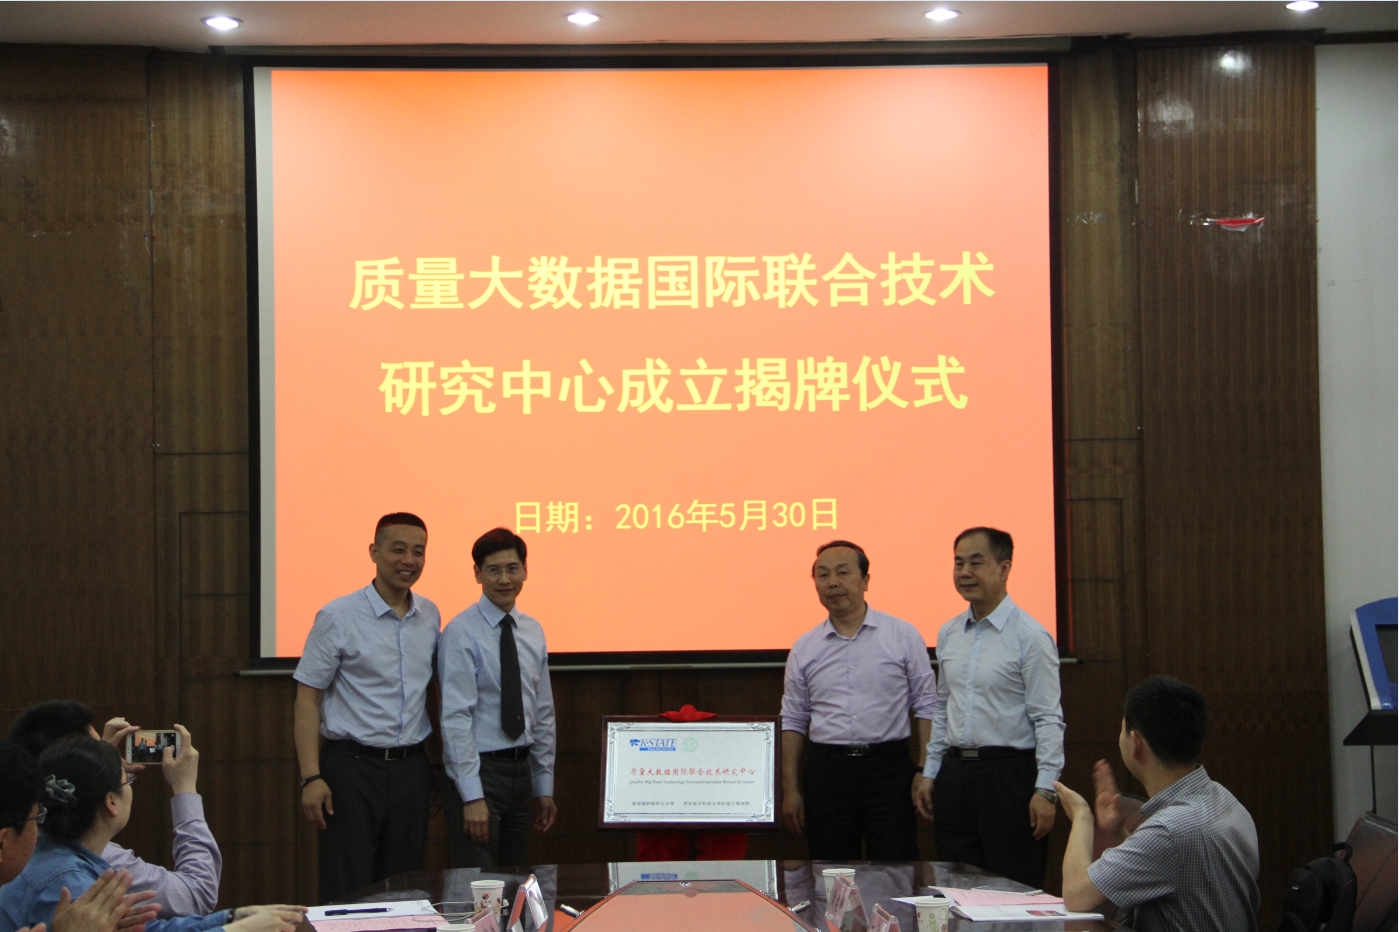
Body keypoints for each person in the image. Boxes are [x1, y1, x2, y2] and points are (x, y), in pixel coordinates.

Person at [0, 737, 304, 932]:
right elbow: (196, 894)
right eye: (127, 781)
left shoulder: (64, 856)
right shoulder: (66, 881)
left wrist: (230, 918)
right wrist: (236, 930)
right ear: (111, 802)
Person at [293, 512, 440, 904]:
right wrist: (311, 777)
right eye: (398, 550)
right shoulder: (338, 616)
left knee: (404, 886)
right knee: (348, 886)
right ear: (374, 552)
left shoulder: (430, 616)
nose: (409, 560)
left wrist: (436, 767)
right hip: (351, 770)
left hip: (412, 769)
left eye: (419, 551)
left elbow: (431, 695)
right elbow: (307, 698)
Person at [914, 526, 1065, 887]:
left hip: (1009, 777)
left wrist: (1045, 789)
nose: (965, 572)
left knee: (1012, 887)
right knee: (955, 886)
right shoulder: (949, 632)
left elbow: (1048, 719)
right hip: (955, 777)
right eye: (959, 563)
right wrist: (931, 771)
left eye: (976, 563)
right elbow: (943, 706)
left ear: (1004, 568)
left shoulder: (1031, 636)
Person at [1053, 675, 1261, 931]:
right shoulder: (1224, 799)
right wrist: (1116, 832)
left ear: (1136, 743)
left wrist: (1082, 817)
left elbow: (1076, 895)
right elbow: (1163, 866)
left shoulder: (1169, 832)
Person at [780, 540, 937, 860]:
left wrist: (925, 769)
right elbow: (794, 720)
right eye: (823, 575)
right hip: (828, 773)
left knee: (895, 867)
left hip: (889, 771)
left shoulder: (902, 635)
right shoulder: (805, 647)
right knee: (832, 872)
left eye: (843, 572)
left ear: (865, 580)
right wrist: (790, 789)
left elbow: (927, 705)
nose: (832, 583)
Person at [10, 703, 220, 918]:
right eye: (94, 750)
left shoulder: (22, 839)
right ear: (110, 801)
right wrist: (185, 787)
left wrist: (103, 770)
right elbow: (197, 893)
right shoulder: (92, 865)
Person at [438, 528, 557, 869]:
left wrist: (543, 784)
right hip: (480, 771)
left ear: (525, 571)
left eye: (512, 568)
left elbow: (543, 712)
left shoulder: (533, 630)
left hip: (521, 771)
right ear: (477, 574)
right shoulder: (461, 632)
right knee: (479, 886)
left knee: (515, 878)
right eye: (493, 570)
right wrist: (471, 795)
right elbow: (455, 717)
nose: (505, 579)